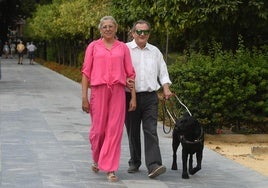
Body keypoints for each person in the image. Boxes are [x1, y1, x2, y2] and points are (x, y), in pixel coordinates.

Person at [81, 16, 136, 182]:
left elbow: (130, 73)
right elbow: (85, 72)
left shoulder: (123, 48)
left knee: (114, 130)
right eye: (104, 26)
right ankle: (98, 158)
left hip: (118, 92)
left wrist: (133, 97)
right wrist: (84, 97)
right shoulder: (93, 47)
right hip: (98, 91)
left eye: (111, 26)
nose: (108, 29)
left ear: (116, 28)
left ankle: (110, 168)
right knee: (98, 132)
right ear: (100, 29)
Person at [125, 19, 173, 178]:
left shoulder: (155, 51)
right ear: (133, 33)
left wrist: (166, 88)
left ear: (149, 34)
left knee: (151, 130)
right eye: (139, 31)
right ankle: (135, 161)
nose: (142, 34)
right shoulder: (125, 49)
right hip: (129, 96)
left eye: (145, 31)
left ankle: (154, 165)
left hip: (150, 97)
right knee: (133, 131)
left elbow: (163, 72)